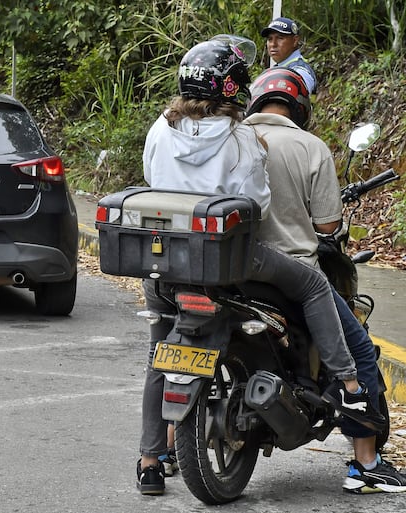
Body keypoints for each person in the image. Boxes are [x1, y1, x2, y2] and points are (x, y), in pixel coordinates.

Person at [136, 35, 384, 496]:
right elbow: (257, 204)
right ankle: (349, 383)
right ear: (232, 88)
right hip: (234, 261)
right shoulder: (240, 137)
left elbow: (153, 182)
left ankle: (151, 460)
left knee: (159, 354)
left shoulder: (159, 129)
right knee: (311, 285)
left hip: (171, 263)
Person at [244, 67, 406, 493]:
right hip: (294, 270)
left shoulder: (231, 138)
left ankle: (161, 452)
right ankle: (366, 463)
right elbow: (329, 223)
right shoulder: (310, 146)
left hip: (232, 271)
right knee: (362, 353)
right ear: (299, 106)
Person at [261, 16, 317, 93]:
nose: (273, 44)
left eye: (280, 38)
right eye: (270, 39)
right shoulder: (280, 68)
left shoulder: (300, 72)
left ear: (295, 41)